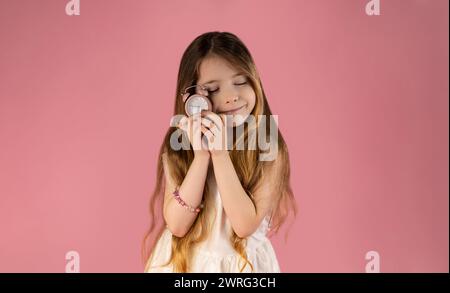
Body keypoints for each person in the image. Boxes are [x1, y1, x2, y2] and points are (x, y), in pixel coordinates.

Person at [142, 31, 297, 273]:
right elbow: (177, 225)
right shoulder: (179, 142)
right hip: (186, 265)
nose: (230, 97)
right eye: (213, 89)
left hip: (241, 268)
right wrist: (201, 156)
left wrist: (221, 154)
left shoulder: (268, 145)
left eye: (241, 82)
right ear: (192, 97)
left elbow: (244, 225)